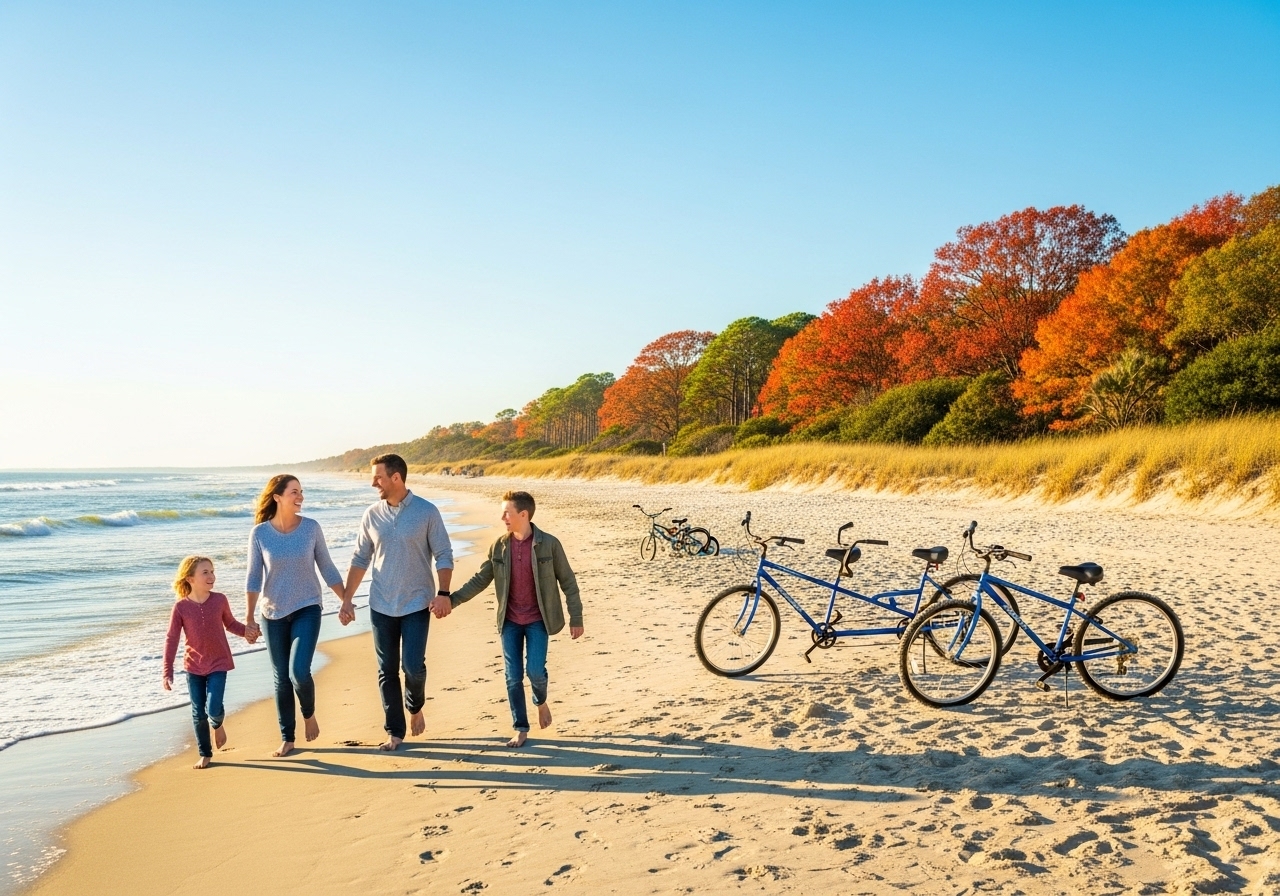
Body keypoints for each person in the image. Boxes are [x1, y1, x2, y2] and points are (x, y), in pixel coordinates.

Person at [440, 490, 583, 748]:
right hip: (510, 621)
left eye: (507, 512)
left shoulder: (549, 544)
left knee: (535, 672)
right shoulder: (500, 546)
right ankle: (521, 728)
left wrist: (576, 617)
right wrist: (452, 600)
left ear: (523, 514)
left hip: (539, 619)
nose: (502, 517)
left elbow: (569, 582)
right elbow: (481, 579)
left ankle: (540, 701)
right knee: (512, 676)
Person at [340, 454, 453, 751]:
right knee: (386, 670)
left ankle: (415, 706)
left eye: (377, 477)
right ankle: (395, 732)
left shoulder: (427, 512)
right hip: (380, 604)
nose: (372, 482)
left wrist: (443, 593)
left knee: (413, 668)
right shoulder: (371, 515)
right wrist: (347, 599)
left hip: (417, 602)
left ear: (396, 478)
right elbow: (360, 558)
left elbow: (443, 553)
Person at [245, 474, 345, 758]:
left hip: (307, 607)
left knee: (299, 670)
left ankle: (309, 714)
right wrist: (250, 617)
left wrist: (345, 601)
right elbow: (253, 577)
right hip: (272, 612)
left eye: (301, 491)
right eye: (294, 492)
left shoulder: (311, 528)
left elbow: (326, 566)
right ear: (277, 496)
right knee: (281, 678)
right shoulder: (260, 534)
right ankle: (288, 738)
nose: (300, 496)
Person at [163, 556, 255, 769]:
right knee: (198, 711)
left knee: (213, 707)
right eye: (205, 572)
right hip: (193, 666)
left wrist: (248, 632)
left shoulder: (219, 600)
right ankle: (205, 753)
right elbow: (172, 638)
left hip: (219, 662)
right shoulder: (180, 608)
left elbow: (230, 623)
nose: (211, 576)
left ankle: (217, 723)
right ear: (190, 579)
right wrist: (167, 670)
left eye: (212, 571)